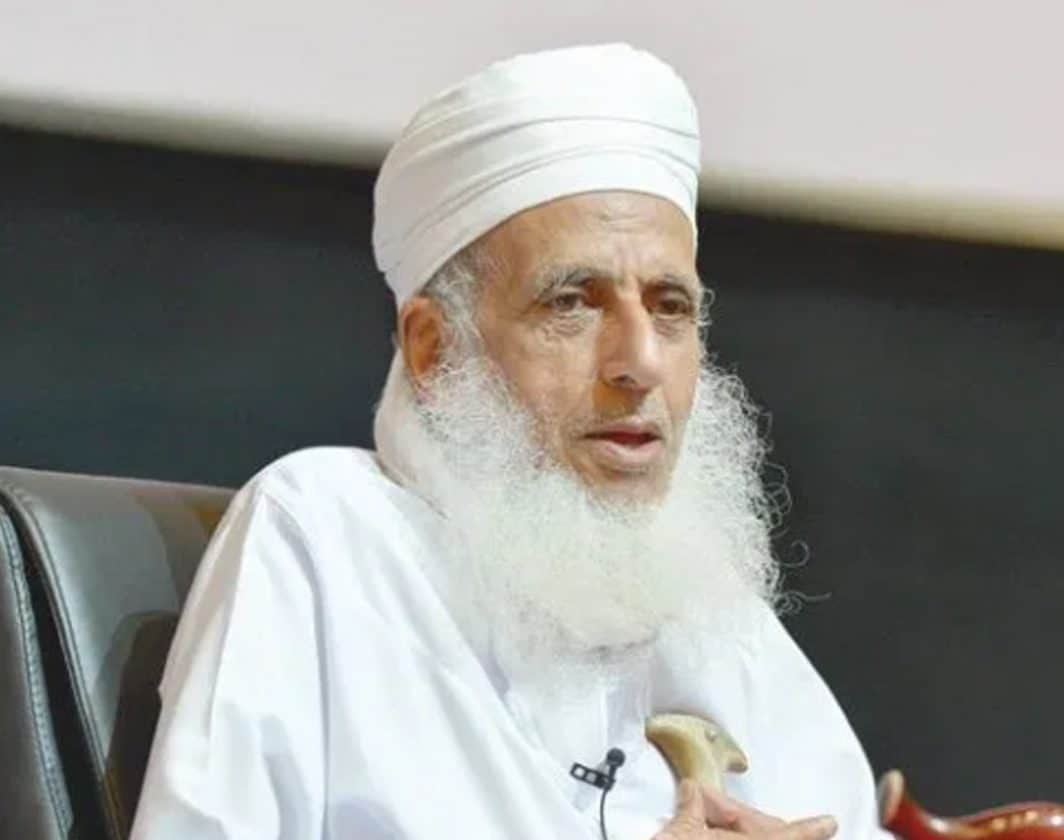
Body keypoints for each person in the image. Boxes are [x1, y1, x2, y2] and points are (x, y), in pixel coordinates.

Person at [130, 43, 890, 840]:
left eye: (670, 307)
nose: (639, 362)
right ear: (434, 349)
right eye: (572, 303)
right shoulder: (325, 538)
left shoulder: (711, 608)